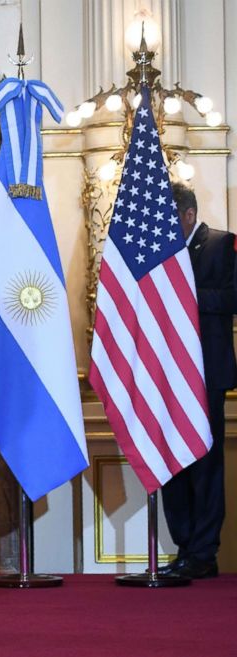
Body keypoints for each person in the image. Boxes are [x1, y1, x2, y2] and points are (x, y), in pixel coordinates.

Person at [158, 181, 236, 579]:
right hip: (168, 376)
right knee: (174, 464)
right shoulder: (158, 254)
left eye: (171, 219)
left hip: (206, 375)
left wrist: (185, 293)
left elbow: (232, 298)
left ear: (188, 215)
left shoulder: (223, 244)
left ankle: (204, 553)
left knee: (205, 466)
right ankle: (184, 547)